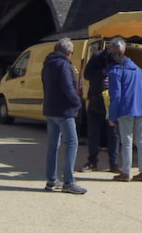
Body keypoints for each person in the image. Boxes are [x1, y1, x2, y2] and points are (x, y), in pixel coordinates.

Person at [42, 37, 87, 194]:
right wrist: (77, 103)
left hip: (50, 109)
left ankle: (51, 180)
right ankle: (68, 182)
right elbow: (68, 88)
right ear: (68, 52)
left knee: (52, 146)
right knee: (72, 143)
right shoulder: (64, 65)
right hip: (64, 110)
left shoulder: (47, 64)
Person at [106, 36, 142, 182]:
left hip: (126, 109)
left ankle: (126, 172)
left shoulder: (115, 72)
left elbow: (116, 97)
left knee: (126, 141)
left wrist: (112, 117)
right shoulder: (138, 69)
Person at [79, 44, 121, 173]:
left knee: (113, 133)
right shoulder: (97, 57)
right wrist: (103, 73)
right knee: (93, 133)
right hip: (97, 99)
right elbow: (87, 74)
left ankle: (114, 163)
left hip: (113, 102)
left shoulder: (121, 59)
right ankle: (92, 162)